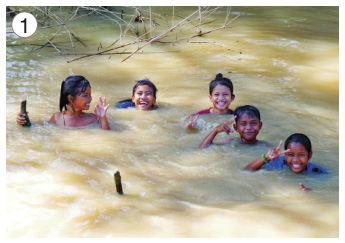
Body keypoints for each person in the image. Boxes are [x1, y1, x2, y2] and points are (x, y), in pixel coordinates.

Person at [16, 75, 110, 130]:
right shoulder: (57, 118)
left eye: (90, 94)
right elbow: (40, 130)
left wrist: (103, 118)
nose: (90, 99)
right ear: (71, 99)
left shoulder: (93, 118)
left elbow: (106, 137)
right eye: (85, 95)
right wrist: (23, 122)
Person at [245, 133, 327, 174]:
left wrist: (311, 191)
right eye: (291, 155)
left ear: (310, 155)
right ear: (285, 155)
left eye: (301, 155)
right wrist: (267, 157)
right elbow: (247, 171)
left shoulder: (317, 172)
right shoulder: (278, 163)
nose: (295, 160)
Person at [199, 105, 265, 148]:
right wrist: (215, 130)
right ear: (236, 128)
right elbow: (202, 148)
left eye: (253, 123)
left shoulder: (264, 146)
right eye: (243, 124)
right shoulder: (229, 142)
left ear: (260, 126)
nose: (248, 128)